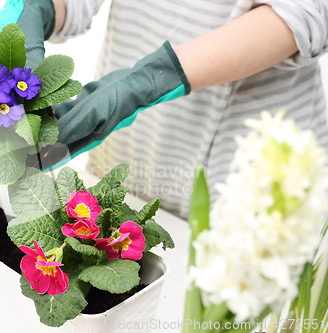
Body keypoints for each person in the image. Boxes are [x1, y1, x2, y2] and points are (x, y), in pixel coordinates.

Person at [49, 0, 328, 219]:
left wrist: (151, 79)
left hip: (245, 166)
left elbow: (303, 13)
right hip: (131, 142)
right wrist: (42, 8)